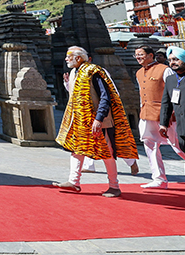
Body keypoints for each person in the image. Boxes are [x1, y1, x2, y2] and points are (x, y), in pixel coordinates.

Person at [53, 46, 138, 197]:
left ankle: (114, 186)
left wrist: (99, 119)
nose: (66, 59)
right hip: (80, 121)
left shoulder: (94, 71)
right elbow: (76, 95)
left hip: (98, 121)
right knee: (76, 150)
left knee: (107, 153)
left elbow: (105, 97)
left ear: (78, 58)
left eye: (69, 56)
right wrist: (68, 84)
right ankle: (74, 182)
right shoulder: (75, 72)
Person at [134, 46, 185, 188]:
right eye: (136, 55)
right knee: (149, 144)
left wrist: (173, 112)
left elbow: (174, 89)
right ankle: (159, 178)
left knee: (178, 146)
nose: (138, 57)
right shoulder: (138, 72)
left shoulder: (164, 69)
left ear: (151, 55)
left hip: (165, 114)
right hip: (146, 113)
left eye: (141, 55)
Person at [159, 46, 185, 194]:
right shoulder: (171, 79)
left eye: (176, 59)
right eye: (170, 60)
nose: (172, 62)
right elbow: (166, 103)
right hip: (182, 129)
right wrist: (163, 124)